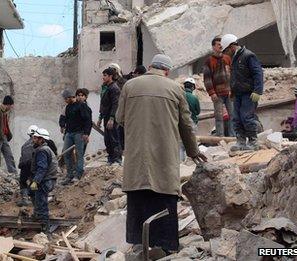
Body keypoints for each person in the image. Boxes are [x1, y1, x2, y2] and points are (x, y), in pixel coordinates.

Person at [116, 54, 207, 257]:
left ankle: (139, 244)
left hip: (137, 158)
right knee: (164, 199)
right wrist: (193, 152)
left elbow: (119, 118)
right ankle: (165, 246)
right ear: (167, 71)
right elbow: (186, 125)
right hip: (164, 158)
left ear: (150, 67)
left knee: (138, 198)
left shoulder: (130, 86)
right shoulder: (175, 89)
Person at [221, 34, 264, 151]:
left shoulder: (248, 56)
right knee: (236, 118)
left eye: (225, 51)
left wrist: (258, 91)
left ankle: (253, 141)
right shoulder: (234, 59)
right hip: (238, 94)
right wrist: (233, 90)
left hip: (249, 93)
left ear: (231, 47)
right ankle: (241, 141)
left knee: (247, 117)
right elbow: (235, 76)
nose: (225, 54)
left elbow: (258, 73)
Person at [203, 36, 235, 137]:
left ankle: (232, 137)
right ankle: (220, 138)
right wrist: (212, 93)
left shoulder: (227, 59)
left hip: (229, 92)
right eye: (218, 44)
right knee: (219, 116)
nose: (221, 46)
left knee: (232, 115)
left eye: (221, 44)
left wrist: (232, 89)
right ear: (213, 47)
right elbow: (207, 78)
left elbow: (233, 75)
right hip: (217, 94)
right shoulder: (209, 61)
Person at [60, 89, 92, 184]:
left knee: (79, 154)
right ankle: (69, 174)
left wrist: (86, 133)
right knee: (66, 153)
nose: (65, 101)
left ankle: (78, 174)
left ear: (70, 97)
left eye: (66, 99)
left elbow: (87, 120)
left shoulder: (82, 106)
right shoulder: (67, 107)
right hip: (69, 133)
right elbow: (63, 117)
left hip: (79, 133)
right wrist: (62, 126)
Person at [30, 128, 58, 234]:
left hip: (45, 180)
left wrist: (36, 181)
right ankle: (38, 218)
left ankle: (45, 229)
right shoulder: (45, 149)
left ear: (41, 139)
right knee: (38, 199)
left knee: (42, 203)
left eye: (36, 138)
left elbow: (42, 168)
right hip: (47, 179)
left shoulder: (42, 151)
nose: (33, 139)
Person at [97, 68, 122, 165]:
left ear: (110, 76)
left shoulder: (114, 88)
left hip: (112, 117)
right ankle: (111, 157)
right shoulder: (105, 87)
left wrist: (112, 118)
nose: (103, 77)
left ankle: (117, 158)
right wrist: (100, 118)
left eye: (105, 75)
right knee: (107, 138)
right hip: (106, 116)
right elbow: (103, 104)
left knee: (114, 137)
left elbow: (115, 104)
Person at [0, 95, 17, 174]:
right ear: (8, 104)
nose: (11, 108)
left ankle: (13, 173)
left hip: (3, 137)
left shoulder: (5, 113)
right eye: (11, 106)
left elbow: (5, 126)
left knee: (9, 155)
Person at [17, 125, 39, 207]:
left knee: (23, 182)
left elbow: (22, 156)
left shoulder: (24, 145)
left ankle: (25, 199)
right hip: (33, 165)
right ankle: (35, 198)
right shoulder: (38, 143)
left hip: (24, 165)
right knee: (34, 181)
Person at [76, 88, 93, 154]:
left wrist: (86, 133)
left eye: (82, 95)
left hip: (82, 133)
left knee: (80, 152)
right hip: (72, 132)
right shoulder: (71, 106)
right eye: (78, 95)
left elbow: (88, 122)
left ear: (85, 97)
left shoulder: (87, 109)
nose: (80, 97)